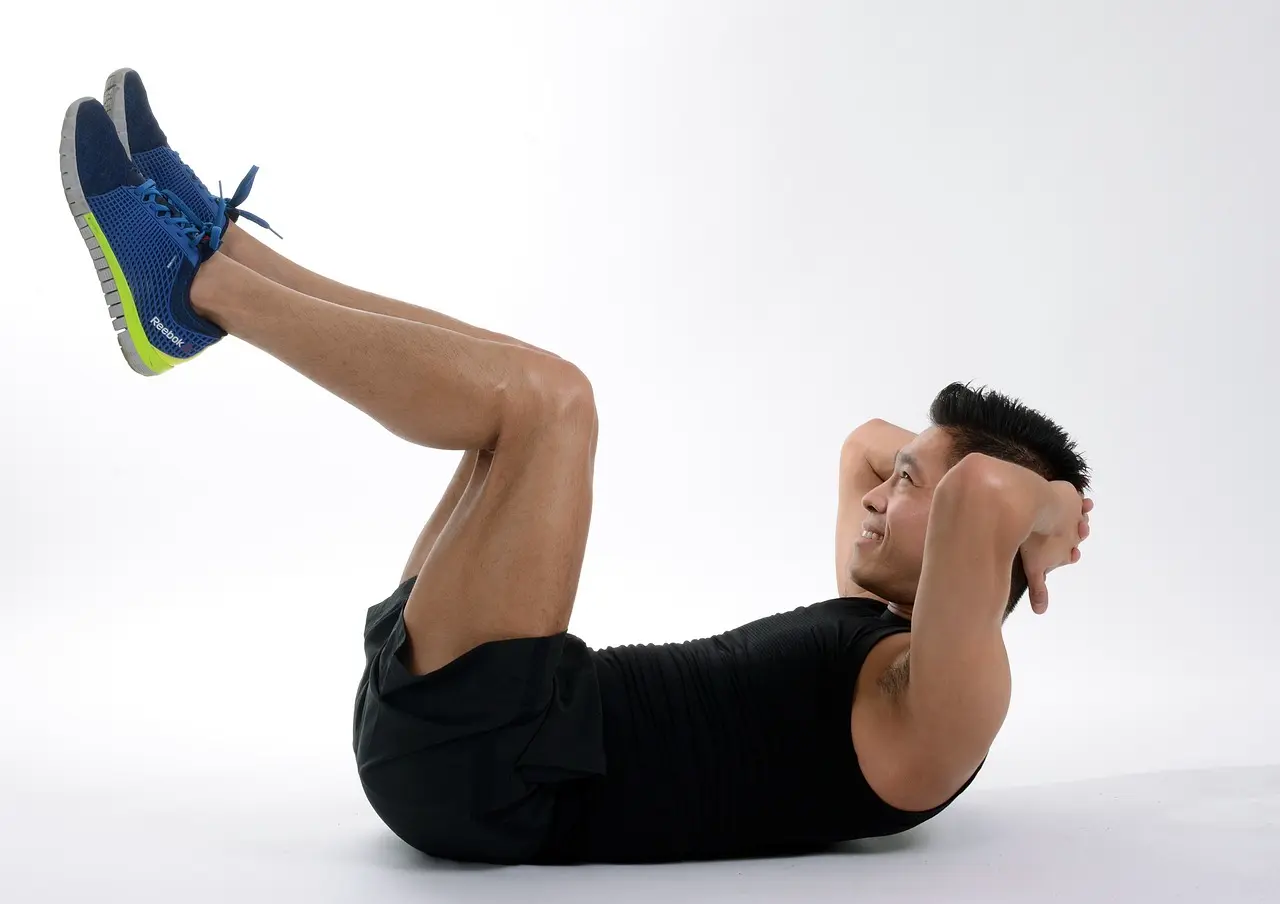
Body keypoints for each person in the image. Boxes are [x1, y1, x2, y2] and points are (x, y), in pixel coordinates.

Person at [60, 70, 1094, 866]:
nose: (876, 487)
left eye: (908, 489)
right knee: (509, 390)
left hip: (493, 772)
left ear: (980, 538)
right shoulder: (877, 625)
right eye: (896, 477)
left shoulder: (942, 716)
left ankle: (193, 292)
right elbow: (868, 441)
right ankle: (226, 258)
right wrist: (936, 475)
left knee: (552, 402)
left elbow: (977, 492)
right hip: (477, 734)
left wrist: (1048, 510)